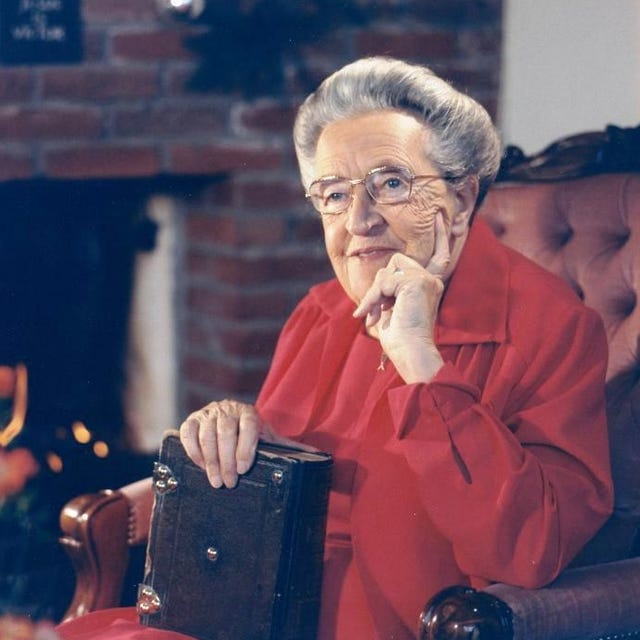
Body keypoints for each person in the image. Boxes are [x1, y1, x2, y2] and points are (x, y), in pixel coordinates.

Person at [57, 56, 613, 640]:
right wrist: (236, 431)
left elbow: (528, 552)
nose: (359, 221)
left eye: (391, 184)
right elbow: (278, 490)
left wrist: (420, 360)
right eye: (334, 195)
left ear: (462, 198)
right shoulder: (322, 311)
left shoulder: (554, 329)